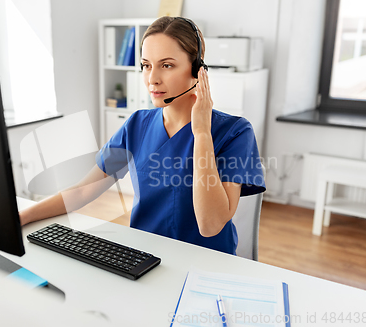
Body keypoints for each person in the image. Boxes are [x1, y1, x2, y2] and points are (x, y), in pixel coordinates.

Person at [19, 16, 265, 255]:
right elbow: (83, 191)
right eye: (146, 65)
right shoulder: (138, 125)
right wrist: (23, 216)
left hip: (208, 264)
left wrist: (201, 134)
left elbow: (210, 225)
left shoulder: (235, 132)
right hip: (146, 259)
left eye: (166, 65)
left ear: (197, 69)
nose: (152, 79)